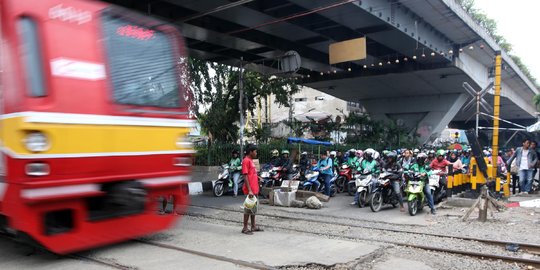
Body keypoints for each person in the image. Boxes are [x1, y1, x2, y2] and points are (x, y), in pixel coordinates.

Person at [241, 144, 263, 235]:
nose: (256, 153)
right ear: (251, 152)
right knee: (248, 208)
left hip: (254, 188)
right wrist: (249, 190)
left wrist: (258, 177)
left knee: (253, 208)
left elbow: (251, 173)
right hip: (250, 189)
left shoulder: (251, 161)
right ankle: (245, 228)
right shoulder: (246, 161)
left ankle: (253, 226)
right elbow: (245, 175)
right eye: (255, 151)